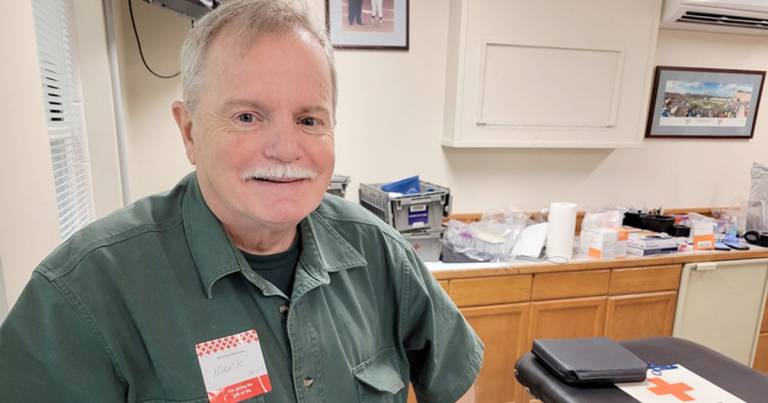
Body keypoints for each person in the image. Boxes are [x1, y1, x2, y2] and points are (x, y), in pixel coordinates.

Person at [0, 1, 483, 402]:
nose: (286, 148)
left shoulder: (380, 252)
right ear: (189, 131)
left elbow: (459, 378)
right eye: (249, 116)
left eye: (309, 120)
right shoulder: (86, 291)